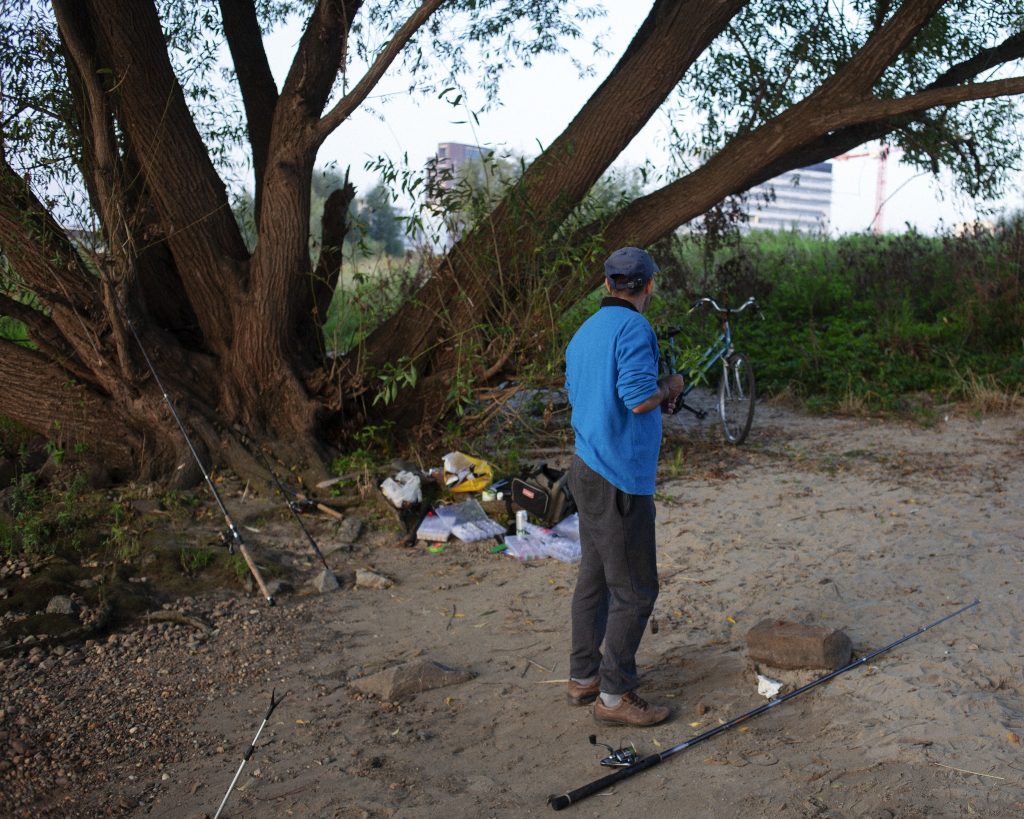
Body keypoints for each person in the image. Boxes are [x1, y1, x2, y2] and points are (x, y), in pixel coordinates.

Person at [563, 246, 684, 727]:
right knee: (635, 590)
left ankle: (583, 677)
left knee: (594, 577)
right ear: (648, 285)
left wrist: (652, 393)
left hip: (585, 466)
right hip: (618, 477)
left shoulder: (585, 332)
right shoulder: (634, 327)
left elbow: (589, 394)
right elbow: (636, 399)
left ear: (608, 283)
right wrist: (669, 387)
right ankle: (614, 697)